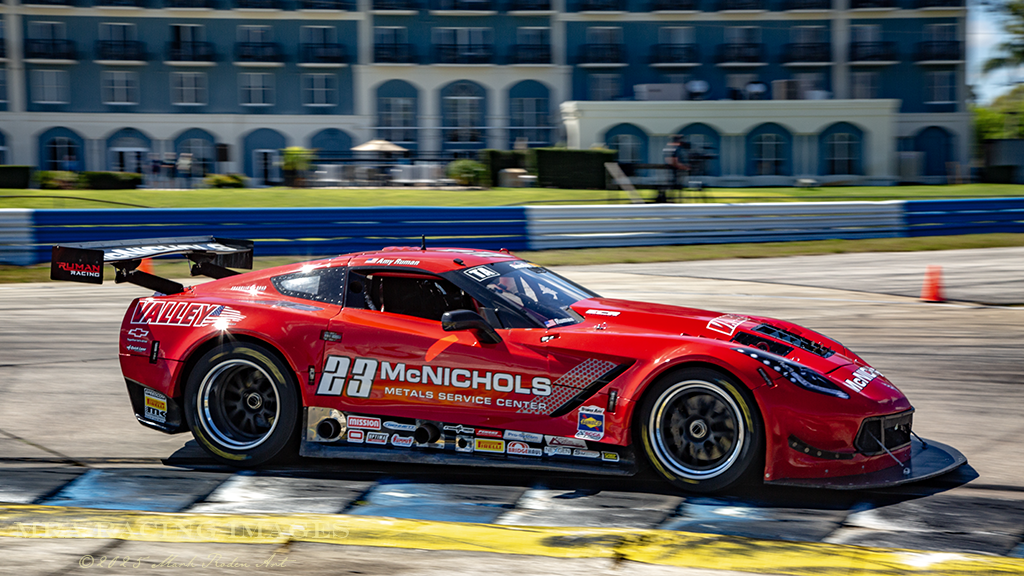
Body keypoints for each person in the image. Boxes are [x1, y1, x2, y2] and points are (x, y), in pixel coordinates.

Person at [660, 135, 690, 203]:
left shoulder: (668, 148)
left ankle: (670, 199)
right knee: (676, 187)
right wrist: (684, 167)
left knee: (671, 188)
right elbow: (674, 161)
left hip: (668, 172)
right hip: (675, 172)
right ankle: (675, 200)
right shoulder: (676, 149)